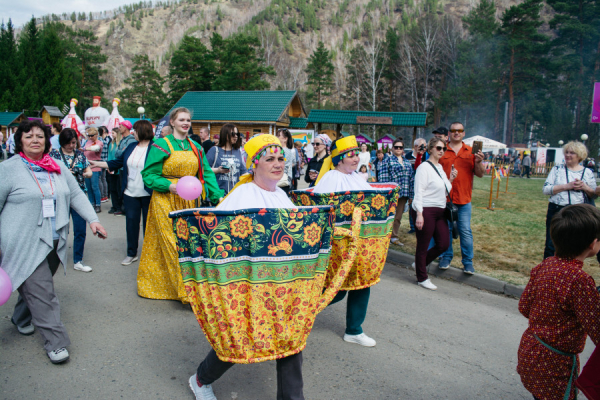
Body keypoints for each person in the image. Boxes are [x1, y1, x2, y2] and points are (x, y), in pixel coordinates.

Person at [190, 134, 304, 400]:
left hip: (284, 286)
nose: (278, 164)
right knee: (240, 341)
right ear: (254, 163)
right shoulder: (240, 197)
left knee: (291, 340)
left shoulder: (283, 197)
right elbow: (218, 243)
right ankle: (201, 379)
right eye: (270, 159)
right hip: (248, 287)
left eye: (280, 159)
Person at [0, 120, 107, 364]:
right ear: (20, 141)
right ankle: (56, 343)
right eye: (29, 136)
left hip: (55, 239)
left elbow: (76, 195)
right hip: (22, 240)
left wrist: (92, 220)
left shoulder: (56, 165)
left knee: (36, 283)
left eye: (40, 136)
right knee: (43, 292)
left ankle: (20, 318)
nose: (35, 140)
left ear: (47, 141)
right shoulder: (8, 169)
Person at [139, 108, 223, 303]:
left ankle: (181, 286)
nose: (186, 123)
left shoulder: (196, 147)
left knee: (188, 245)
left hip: (189, 202)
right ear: (173, 122)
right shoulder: (161, 145)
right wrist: (169, 186)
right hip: (165, 200)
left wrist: (218, 197)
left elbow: (206, 174)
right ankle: (186, 292)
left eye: (188, 120)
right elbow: (148, 175)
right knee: (172, 244)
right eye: (182, 119)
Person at [517, 204, 600, 400]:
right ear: (593, 244)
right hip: (556, 364)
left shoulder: (545, 265)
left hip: (530, 351)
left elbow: (524, 307)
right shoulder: (579, 281)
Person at [313, 135, 376, 347]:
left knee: (362, 282)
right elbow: (325, 211)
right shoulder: (331, 177)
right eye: (351, 155)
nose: (356, 158)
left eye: (357, 153)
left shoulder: (357, 177)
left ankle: (354, 330)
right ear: (339, 159)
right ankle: (298, 313)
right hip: (340, 243)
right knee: (336, 288)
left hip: (361, 241)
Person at [91, 120, 154, 266]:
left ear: (142, 131)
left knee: (148, 227)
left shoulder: (155, 148)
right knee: (131, 225)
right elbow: (117, 162)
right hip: (130, 192)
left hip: (148, 194)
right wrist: (97, 163)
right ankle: (131, 253)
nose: (133, 133)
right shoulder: (132, 146)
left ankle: (149, 255)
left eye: (135, 130)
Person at [410, 138, 457, 291]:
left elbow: (443, 191)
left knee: (443, 243)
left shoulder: (440, 167)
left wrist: (450, 179)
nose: (441, 151)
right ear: (430, 149)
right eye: (438, 148)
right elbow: (419, 191)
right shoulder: (424, 167)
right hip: (426, 209)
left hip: (440, 210)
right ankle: (422, 278)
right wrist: (419, 213)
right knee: (423, 246)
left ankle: (419, 265)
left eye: (443, 148)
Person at [437, 122, 484, 274]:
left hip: (464, 199)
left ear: (464, 133)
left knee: (464, 230)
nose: (456, 133)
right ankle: (446, 257)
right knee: (447, 230)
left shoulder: (471, 151)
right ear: (449, 133)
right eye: (453, 130)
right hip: (445, 198)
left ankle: (468, 262)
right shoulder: (442, 150)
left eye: (459, 131)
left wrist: (479, 162)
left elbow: (480, 173)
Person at [49, 128, 94, 273]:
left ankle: (78, 260)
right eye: (68, 143)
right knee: (59, 229)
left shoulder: (80, 155)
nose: (71, 146)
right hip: (59, 196)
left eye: (73, 142)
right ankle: (53, 259)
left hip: (78, 195)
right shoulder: (54, 154)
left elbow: (89, 171)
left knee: (80, 229)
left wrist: (84, 174)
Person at [542, 141, 597, 260]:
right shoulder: (557, 169)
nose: (568, 155)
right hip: (557, 209)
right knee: (552, 243)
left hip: (578, 212)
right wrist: (566, 186)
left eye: (572, 153)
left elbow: (593, 195)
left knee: (574, 244)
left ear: (579, 155)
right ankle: (547, 272)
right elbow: (546, 189)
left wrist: (584, 187)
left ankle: (569, 271)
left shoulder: (587, 172)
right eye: (566, 152)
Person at [378, 138, 414, 247]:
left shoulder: (407, 162)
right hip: (391, 194)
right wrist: (385, 193)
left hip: (404, 193)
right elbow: (383, 178)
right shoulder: (387, 160)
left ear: (403, 149)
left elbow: (411, 179)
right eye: (396, 147)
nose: (398, 149)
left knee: (398, 217)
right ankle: (383, 236)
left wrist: (411, 195)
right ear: (392, 148)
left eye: (401, 147)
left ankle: (394, 236)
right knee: (388, 215)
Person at [206, 124, 247, 196]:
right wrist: (218, 170)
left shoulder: (238, 151)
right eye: (233, 134)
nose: (236, 136)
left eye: (237, 134)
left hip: (234, 196)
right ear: (225, 134)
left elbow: (243, 172)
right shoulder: (214, 150)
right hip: (218, 195)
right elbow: (204, 170)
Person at [83, 127, 104, 213]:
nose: (90, 137)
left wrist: (85, 149)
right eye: (89, 135)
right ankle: (91, 204)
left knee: (95, 187)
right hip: (87, 167)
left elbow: (96, 148)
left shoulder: (99, 142)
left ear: (96, 135)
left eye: (92, 135)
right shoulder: (87, 142)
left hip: (95, 166)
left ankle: (98, 205)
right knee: (88, 187)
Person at [107, 127, 124, 215]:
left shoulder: (120, 143)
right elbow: (109, 155)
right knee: (112, 188)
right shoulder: (111, 143)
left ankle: (119, 206)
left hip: (118, 169)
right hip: (112, 167)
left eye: (113, 133)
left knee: (118, 189)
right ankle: (114, 205)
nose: (112, 135)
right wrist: (109, 167)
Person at [275, 128, 294, 193]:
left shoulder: (283, 150)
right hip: (285, 181)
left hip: (282, 181)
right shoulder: (288, 150)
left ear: (285, 139)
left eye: (278, 136)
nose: (276, 137)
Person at [98, 126, 111, 203]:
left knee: (100, 179)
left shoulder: (99, 141)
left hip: (99, 162)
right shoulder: (105, 142)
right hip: (104, 161)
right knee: (104, 179)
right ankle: (105, 195)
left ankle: (102, 196)